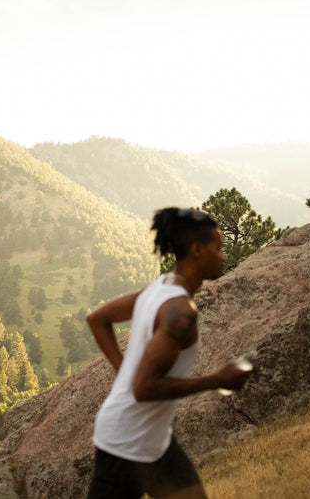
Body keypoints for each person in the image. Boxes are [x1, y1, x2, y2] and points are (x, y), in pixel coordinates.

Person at [86, 207, 252, 499]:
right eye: (219, 248)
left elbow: (98, 319)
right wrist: (216, 380)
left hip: (154, 442)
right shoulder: (180, 312)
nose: (223, 256)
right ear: (198, 250)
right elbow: (143, 387)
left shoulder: (160, 287)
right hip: (124, 446)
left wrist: (122, 372)